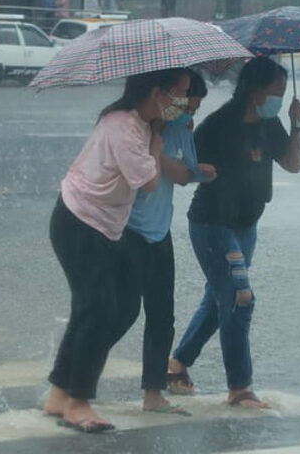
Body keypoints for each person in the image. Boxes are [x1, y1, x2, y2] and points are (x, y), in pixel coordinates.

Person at [43, 68, 192, 433]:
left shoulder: (140, 123)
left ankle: (60, 392)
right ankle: (78, 402)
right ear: (157, 93)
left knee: (121, 307)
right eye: (179, 94)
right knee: (99, 307)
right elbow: (151, 182)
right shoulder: (124, 127)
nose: (182, 103)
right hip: (79, 221)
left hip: (102, 226)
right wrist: (157, 147)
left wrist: (158, 135)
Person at [167, 56, 300, 409]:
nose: (280, 97)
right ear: (254, 90)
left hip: (246, 226)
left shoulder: (271, 123)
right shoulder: (219, 124)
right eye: (277, 91)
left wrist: (296, 125)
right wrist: (199, 170)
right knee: (240, 298)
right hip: (213, 225)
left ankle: (177, 364)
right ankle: (240, 388)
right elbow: (184, 165)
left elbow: (292, 164)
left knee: (220, 300)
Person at [124, 70, 217, 416]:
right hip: (126, 229)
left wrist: (195, 171)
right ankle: (76, 383)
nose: (188, 112)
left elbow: (181, 172)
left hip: (158, 231)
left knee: (162, 315)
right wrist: (167, 151)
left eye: (193, 108)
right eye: (184, 102)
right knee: (118, 312)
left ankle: (153, 393)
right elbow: (165, 169)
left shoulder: (180, 127)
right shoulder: (137, 125)